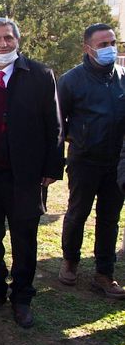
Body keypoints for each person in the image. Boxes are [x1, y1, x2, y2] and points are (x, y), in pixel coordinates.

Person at [0, 17, 64, 328]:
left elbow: (54, 126)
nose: (2, 44)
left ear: (18, 40)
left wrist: (51, 167)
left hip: (25, 174)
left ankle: (22, 297)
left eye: (8, 38)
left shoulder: (41, 75)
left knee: (24, 238)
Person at [58, 23, 125, 300]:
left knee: (110, 218)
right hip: (84, 160)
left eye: (112, 42)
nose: (109, 48)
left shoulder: (123, 76)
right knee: (77, 213)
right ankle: (70, 261)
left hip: (116, 162)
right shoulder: (71, 80)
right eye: (102, 44)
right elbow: (58, 124)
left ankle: (104, 273)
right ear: (87, 48)